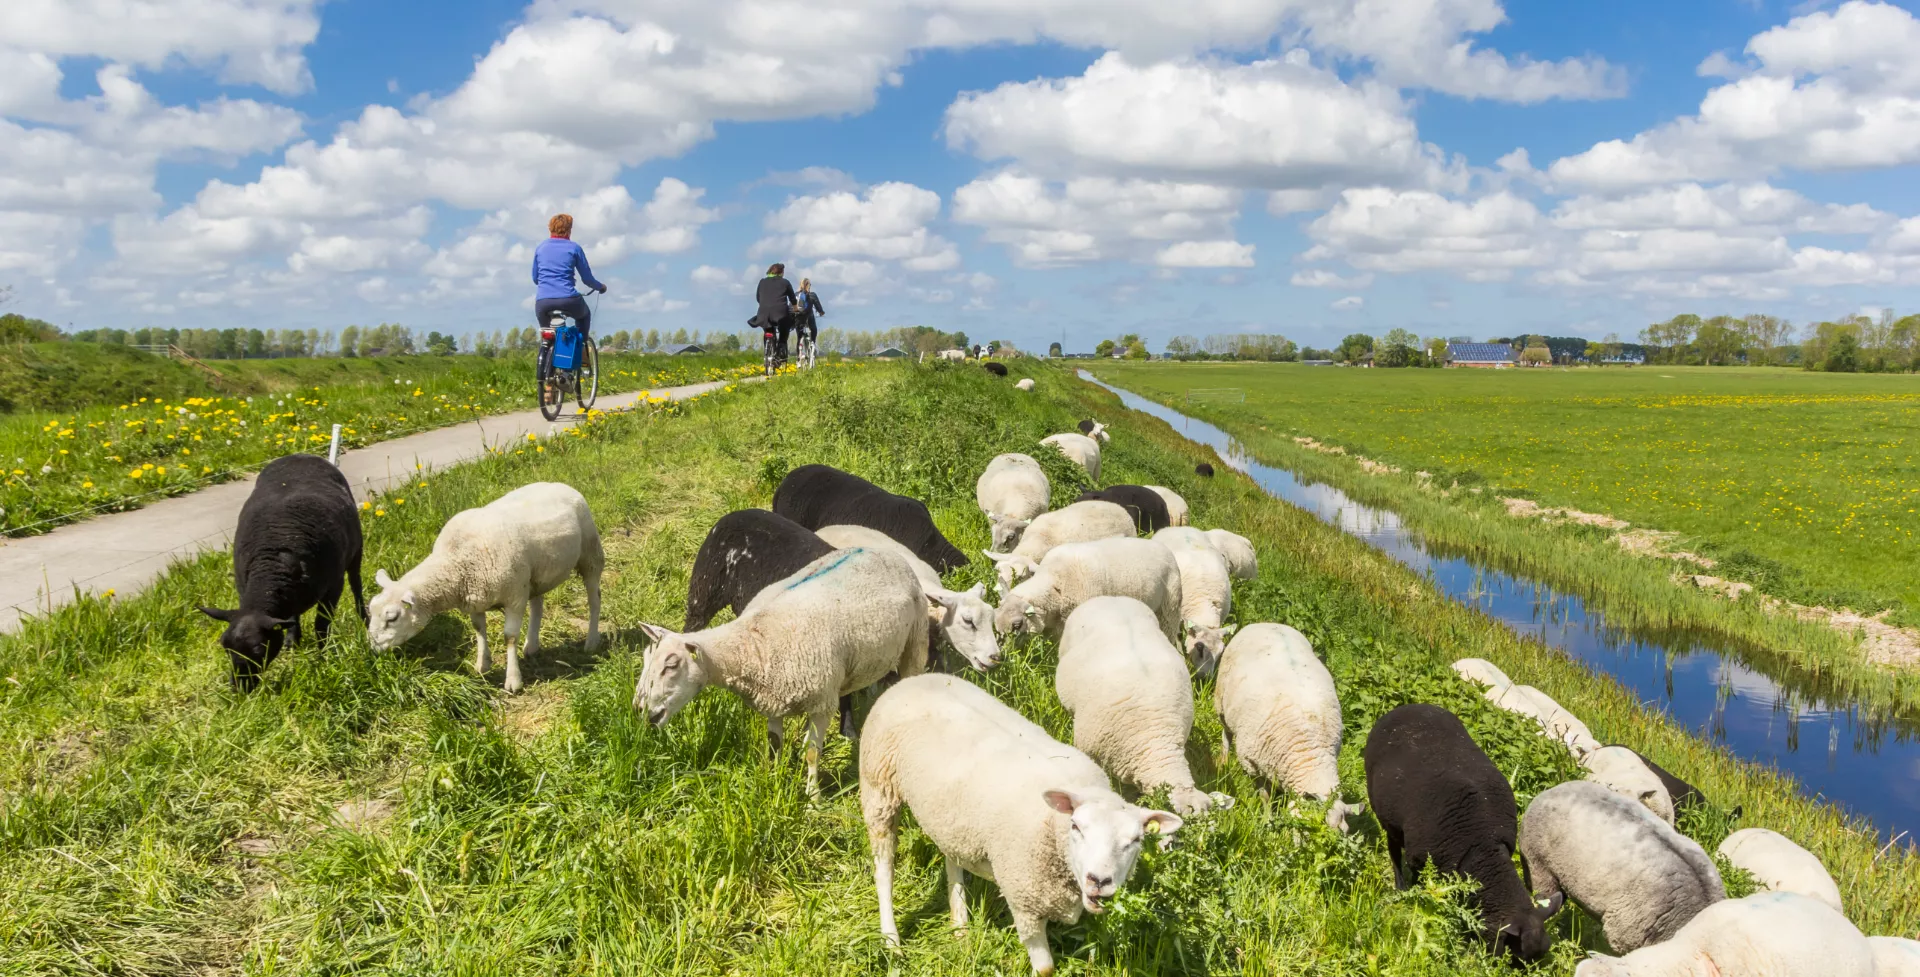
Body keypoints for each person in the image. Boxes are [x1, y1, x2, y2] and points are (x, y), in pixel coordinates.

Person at [532, 213, 606, 341]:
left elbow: (535, 278)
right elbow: (587, 279)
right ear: (569, 230)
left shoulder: (541, 248)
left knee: (548, 338)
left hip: (543, 302)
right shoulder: (574, 248)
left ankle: (545, 355)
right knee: (584, 316)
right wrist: (600, 287)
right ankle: (581, 349)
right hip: (569, 299)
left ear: (550, 228)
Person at [755, 262, 798, 364]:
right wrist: (795, 308)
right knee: (784, 328)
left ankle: (767, 352)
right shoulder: (785, 282)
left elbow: (758, 298)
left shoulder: (762, 282)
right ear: (781, 272)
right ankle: (781, 348)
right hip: (780, 312)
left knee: (768, 330)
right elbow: (792, 298)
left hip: (764, 313)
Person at [793, 277, 825, 355]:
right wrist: (821, 312)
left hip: (798, 317)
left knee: (799, 337)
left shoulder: (796, 294)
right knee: (814, 329)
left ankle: (798, 358)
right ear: (809, 285)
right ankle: (813, 343)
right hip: (808, 317)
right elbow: (818, 307)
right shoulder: (812, 295)